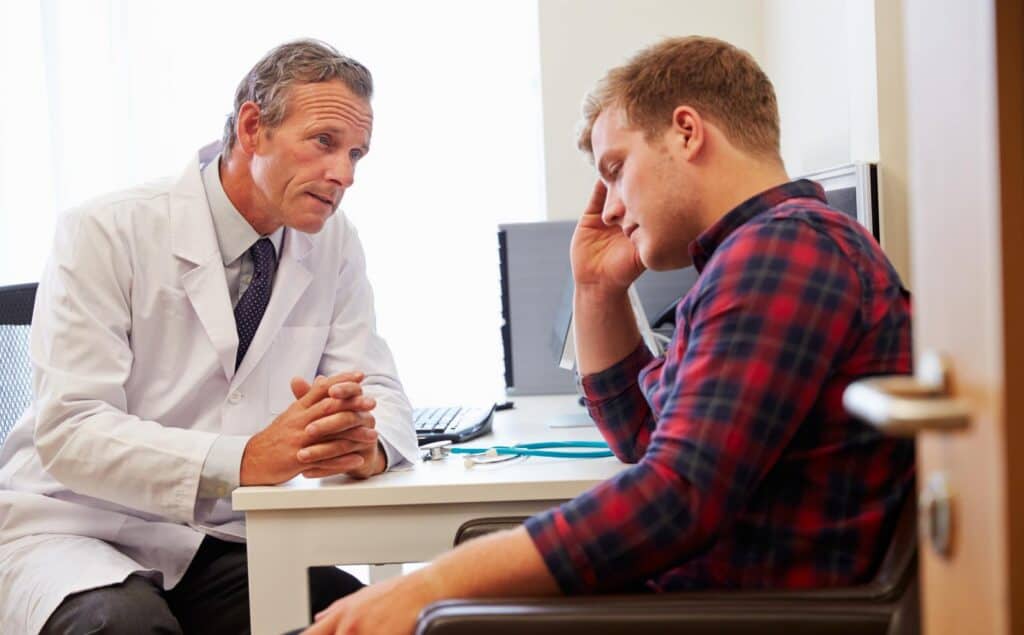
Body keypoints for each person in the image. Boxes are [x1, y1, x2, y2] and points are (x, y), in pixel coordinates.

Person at [301, 35, 915, 635]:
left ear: (686, 131)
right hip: (698, 601)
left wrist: (433, 584)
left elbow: (675, 494)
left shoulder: (782, 251)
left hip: (723, 613)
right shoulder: (766, 252)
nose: (612, 208)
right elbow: (641, 437)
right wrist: (596, 288)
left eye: (616, 170)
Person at [0, 39, 419, 634]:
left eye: (357, 154)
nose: (344, 174)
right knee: (125, 627)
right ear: (253, 127)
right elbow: (70, 432)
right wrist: (245, 458)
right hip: (74, 528)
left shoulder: (332, 241)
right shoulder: (105, 230)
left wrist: (365, 443)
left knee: (373, 621)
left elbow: (374, 381)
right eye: (324, 142)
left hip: (213, 538)